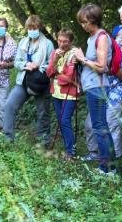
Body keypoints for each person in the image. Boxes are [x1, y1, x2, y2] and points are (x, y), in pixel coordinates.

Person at [74, 3, 116, 174]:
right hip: (92, 87)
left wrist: (82, 59)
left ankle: (108, 168)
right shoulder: (91, 38)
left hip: (99, 87)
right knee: (98, 126)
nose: (83, 25)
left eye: (85, 22)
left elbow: (101, 66)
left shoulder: (102, 37)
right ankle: (108, 166)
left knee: (100, 127)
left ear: (94, 20)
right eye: (81, 22)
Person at [3, 15, 54, 146]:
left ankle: (43, 144)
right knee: (9, 105)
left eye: (34, 28)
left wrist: (38, 66)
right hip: (23, 81)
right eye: (30, 28)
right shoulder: (23, 42)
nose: (32, 30)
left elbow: (52, 64)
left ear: (39, 28)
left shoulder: (47, 44)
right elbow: (17, 62)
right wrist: (26, 64)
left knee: (43, 113)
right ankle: (7, 139)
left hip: (40, 83)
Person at [46, 28, 78, 160]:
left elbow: (69, 78)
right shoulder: (55, 52)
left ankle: (70, 151)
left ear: (70, 42)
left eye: (65, 41)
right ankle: (68, 147)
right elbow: (48, 73)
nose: (61, 44)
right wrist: (55, 61)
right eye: (59, 40)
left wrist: (57, 74)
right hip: (56, 92)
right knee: (61, 120)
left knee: (65, 120)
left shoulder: (75, 54)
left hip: (70, 93)